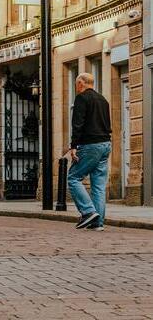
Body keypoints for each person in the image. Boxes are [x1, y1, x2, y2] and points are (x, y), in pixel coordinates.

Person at [67, 72, 112, 230]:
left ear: (81, 83)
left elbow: (77, 124)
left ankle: (88, 212)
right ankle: (97, 223)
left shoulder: (81, 98)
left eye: (76, 84)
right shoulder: (103, 100)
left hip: (90, 145)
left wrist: (73, 146)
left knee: (73, 178)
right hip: (106, 144)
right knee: (98, 186)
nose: (76, 87)